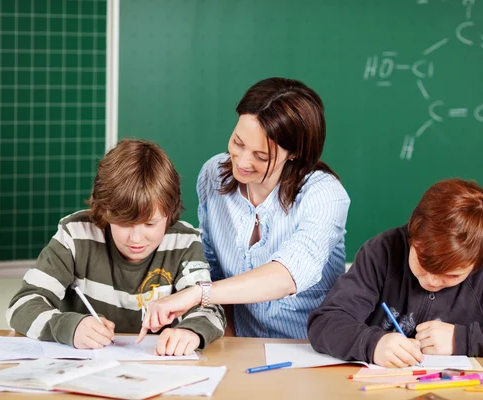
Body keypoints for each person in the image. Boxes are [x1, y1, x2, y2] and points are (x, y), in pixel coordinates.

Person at [138, 77, 350, 340]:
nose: (242, 161)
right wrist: (223, 340)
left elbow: (288, 275)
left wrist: (197, 293)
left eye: (261, 156)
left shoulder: (325, 195)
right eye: (238, 142)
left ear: (294, 153)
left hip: (311, 350)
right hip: (242, 345)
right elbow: (213, 266)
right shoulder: (213, 175)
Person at [308, 178, 483, 367]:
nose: (431, 281)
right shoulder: (383, 253)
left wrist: (462, 340)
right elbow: (325, 323)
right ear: (413, 235)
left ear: (477, 262)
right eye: (424, 264)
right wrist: (372, 344)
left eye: (453, 276)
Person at [7, 139, 225, 355]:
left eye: (150, 223)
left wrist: (190, 331)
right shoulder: (75, 234)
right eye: (124, 223)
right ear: (105, 210)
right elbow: (22, 305)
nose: (137, 238)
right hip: (85, 370)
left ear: (170, 212)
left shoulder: (184, 242)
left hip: (158, 371)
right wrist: (69, 327)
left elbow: (211, 309)